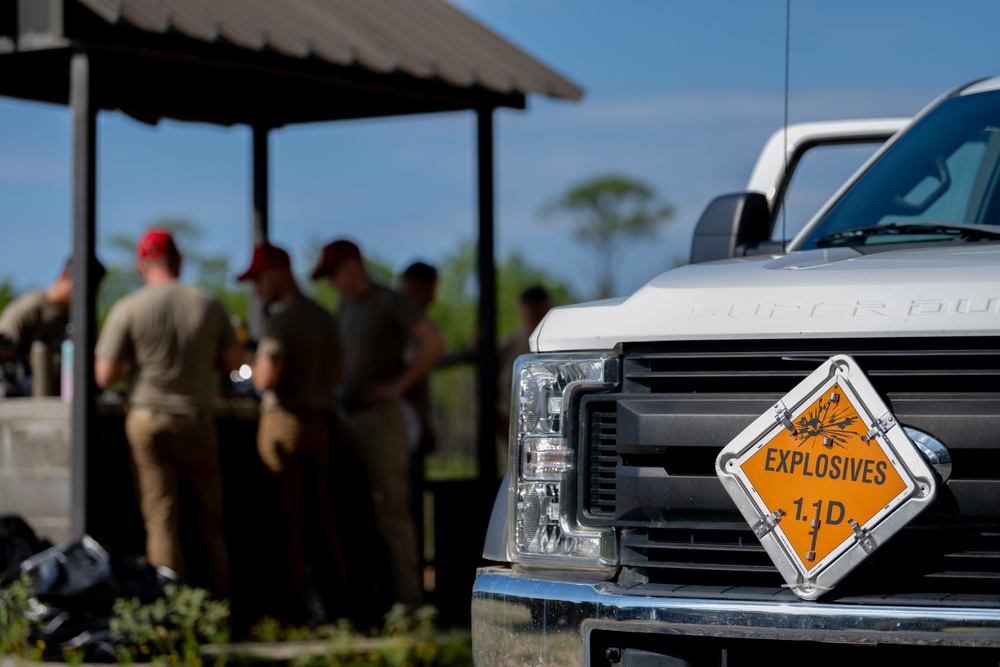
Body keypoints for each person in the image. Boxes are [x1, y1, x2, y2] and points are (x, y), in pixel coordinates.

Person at [94, 228, 241, 599]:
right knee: (210, 521)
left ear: (142, 264)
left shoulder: (129, 307)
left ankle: (171, 611)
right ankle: (221, 609)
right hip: (196, 419)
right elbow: (235, 363)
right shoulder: (208, 304)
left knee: (162, 522)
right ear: (178, 261)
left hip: (148, 418)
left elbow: (104, 374)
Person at [312, 239, 444, 607]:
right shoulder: (343, 309)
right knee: (353, 511)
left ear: (353, 264)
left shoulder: (390, 301)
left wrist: (396, 386)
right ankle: (367, 601)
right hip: (346, 415)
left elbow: (433, 342)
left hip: (380, 418)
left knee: (392, 512)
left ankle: (409, 603)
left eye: (334, 271)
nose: (332, 281)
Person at [235, 241, 348, 622]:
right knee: (324, 519)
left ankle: (295, 608)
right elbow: (338, 374)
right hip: (320, 425)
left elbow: (265, 378)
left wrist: (250, 362)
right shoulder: (325, 317)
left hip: (284, 424)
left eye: (258, 279)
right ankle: (339, 602)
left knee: (287, 521)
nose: (256, 289)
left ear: (277, 274)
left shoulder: (282, 321)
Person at [0, 257, 105, 393]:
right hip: (30, 400)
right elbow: (4, 351)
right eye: (88, 290)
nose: (90, 298)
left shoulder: (82, 316)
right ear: (67, 277)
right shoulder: (29, 309)